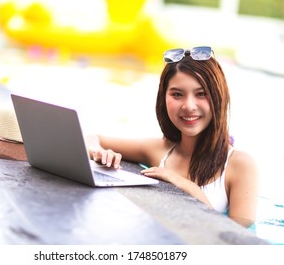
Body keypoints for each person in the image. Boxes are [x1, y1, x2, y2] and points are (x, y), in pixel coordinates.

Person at [85, 46, 258, 228]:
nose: (189, 106)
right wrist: (100, 153)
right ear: (163, 97)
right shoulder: (159, 150)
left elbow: (235, 240)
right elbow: (92, 138)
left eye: (201, 94)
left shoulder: (240, 165)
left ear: (218, 97)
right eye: (177, 94)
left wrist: (188, 188)